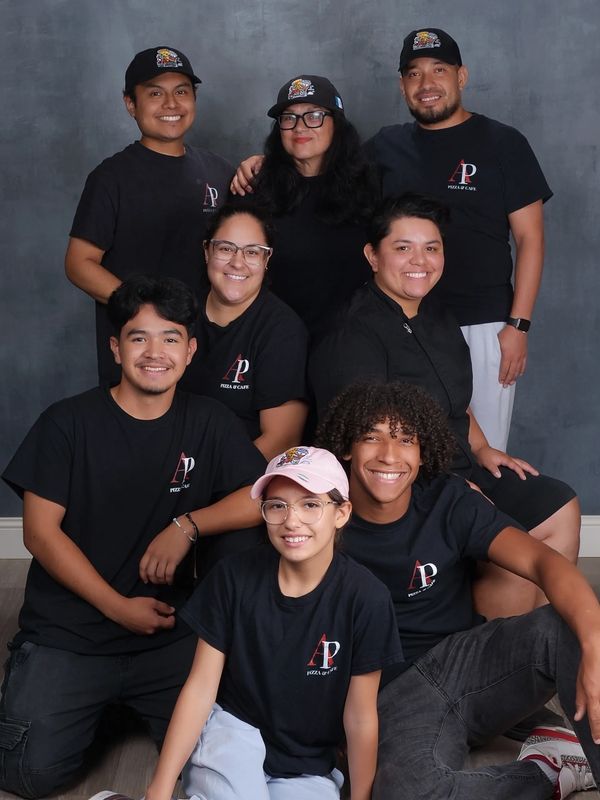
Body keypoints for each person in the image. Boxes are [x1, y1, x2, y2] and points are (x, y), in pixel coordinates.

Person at [0, 276, 266, 799]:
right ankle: (85, 705)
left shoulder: (209, 421)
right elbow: (38, 532)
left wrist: (186, 525)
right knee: (28, 774)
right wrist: (117, 606)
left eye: (170, 338)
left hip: (169, 636)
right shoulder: (67, 422)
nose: (154, 353)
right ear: (116, 347)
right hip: (72, 632)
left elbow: (260, 498)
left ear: (189, 351)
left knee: (216, 766)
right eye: (138, 337)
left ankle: (109, 707)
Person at [317, 381, 600, 800]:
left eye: (405, 440)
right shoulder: (317, 517)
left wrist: (593, 644)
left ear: (422, 451)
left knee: (574, 625)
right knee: (409, 793)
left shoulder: (447, 500)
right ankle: (550, 772)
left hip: (468, 662)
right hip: (393, 696)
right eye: (371, 437)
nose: (389, 455)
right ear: (346, 448)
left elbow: (544, 563)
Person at [309, 194, 579, 619]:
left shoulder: (435, 313)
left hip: (459, 466)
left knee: (559, 506)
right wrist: (453, 495)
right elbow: (364, 447)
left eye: (431, 248)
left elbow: (454, 401)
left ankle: (540, 654)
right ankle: (486, 671)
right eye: (403, 248)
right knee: (510, 553)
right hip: (406, 484)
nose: (421, 260)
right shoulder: (353, 334)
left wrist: (484, 448)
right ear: (372, 256)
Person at [122, 446, 402, 800]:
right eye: (277, 505)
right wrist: (159, 789)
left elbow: (360, 716)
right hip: (234, 732)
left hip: (305, 760)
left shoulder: (366, 598)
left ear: (341, 513)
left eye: (310, 504)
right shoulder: (233, 577)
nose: (291, 520)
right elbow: (200, 688)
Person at [364, 27, 552, 450]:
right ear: (402, 84)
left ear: (461, 77)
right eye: (414, 74)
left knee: (482, 454)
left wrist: (518, 326)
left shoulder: (503, 143)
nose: (427, 85)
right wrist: (264, 161)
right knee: (406, 449)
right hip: (403, 322)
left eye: (439, 70)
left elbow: (531, 239)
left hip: (483, 323)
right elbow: (327, 179)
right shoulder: (384, 147)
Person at [65, 46, 232, 385]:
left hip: (209, 350)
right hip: (141, 356)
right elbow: (79, 263)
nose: (171, 104)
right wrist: (147, 315)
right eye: (155, 93)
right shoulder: (111, 178)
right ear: (131, 104)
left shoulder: (220, 172)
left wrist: (256, 164)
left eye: (181, 92)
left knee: (203, 434)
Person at [231, 74, 378, 337]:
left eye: (314, 115)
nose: (300, 127)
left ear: (338, 124)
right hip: (274, 340)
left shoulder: (370, 189)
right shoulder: (253, 191)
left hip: (352, 343)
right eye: (289, 118)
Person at [178, 203, 309, 459]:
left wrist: (208, 481)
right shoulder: (178, 313)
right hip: (168, 462)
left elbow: (282, 440)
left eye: (252, 252)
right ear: (207, 251)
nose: (237, 263)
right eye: (226, 248)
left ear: (266, 259)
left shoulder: (283, 331)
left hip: (239, 478)